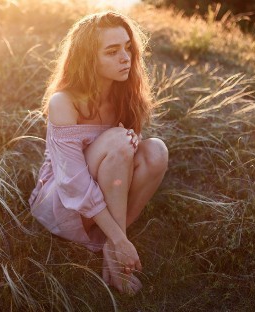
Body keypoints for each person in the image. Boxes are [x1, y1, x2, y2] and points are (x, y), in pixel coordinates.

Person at [28, 11, 168, 295]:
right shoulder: (64, 102)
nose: (125, 57)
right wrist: (121, 240)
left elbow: (123, 162)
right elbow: (72, 182)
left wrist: (129, 140)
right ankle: (117, 245)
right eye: (112, 51)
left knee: (156, 151)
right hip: (61, 205)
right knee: (118, 141)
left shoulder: (124, 95)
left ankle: (110, 245)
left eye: (128, 47)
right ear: (89, 58)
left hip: (100, 203)